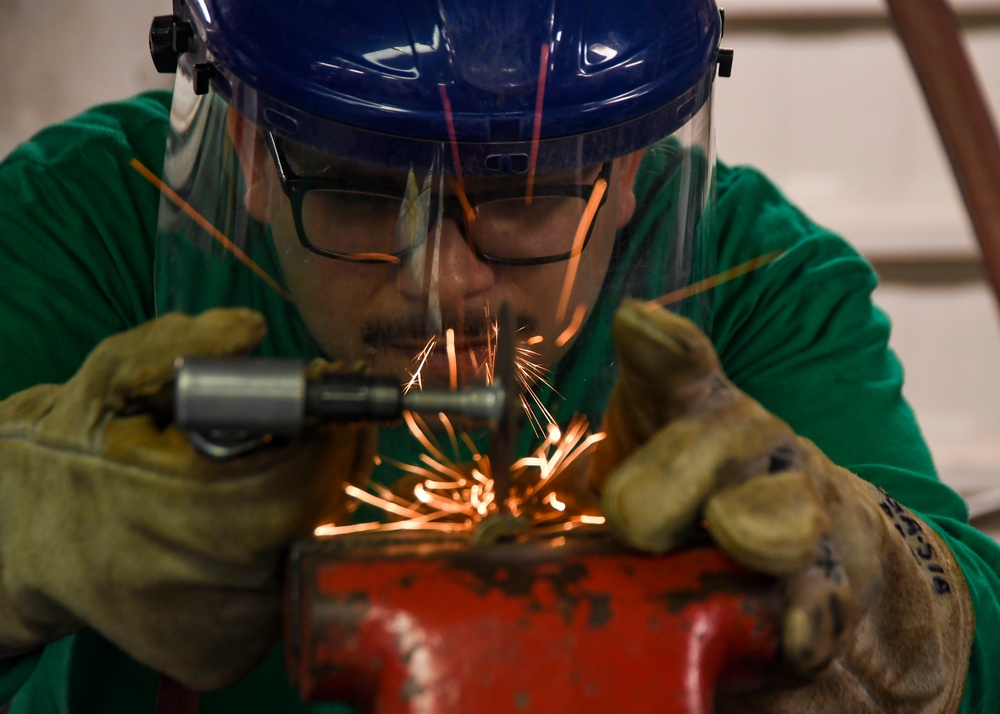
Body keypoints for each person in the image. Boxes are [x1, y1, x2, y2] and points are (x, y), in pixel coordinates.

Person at [0, 0, 994, 711]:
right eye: (357, 190)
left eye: (521, 194)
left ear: (634, 164)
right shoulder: (91, 220)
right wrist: (23, 527)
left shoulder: (754, 280)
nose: (443, 285)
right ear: (251, 150)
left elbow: (983, 642)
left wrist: (883, 596)